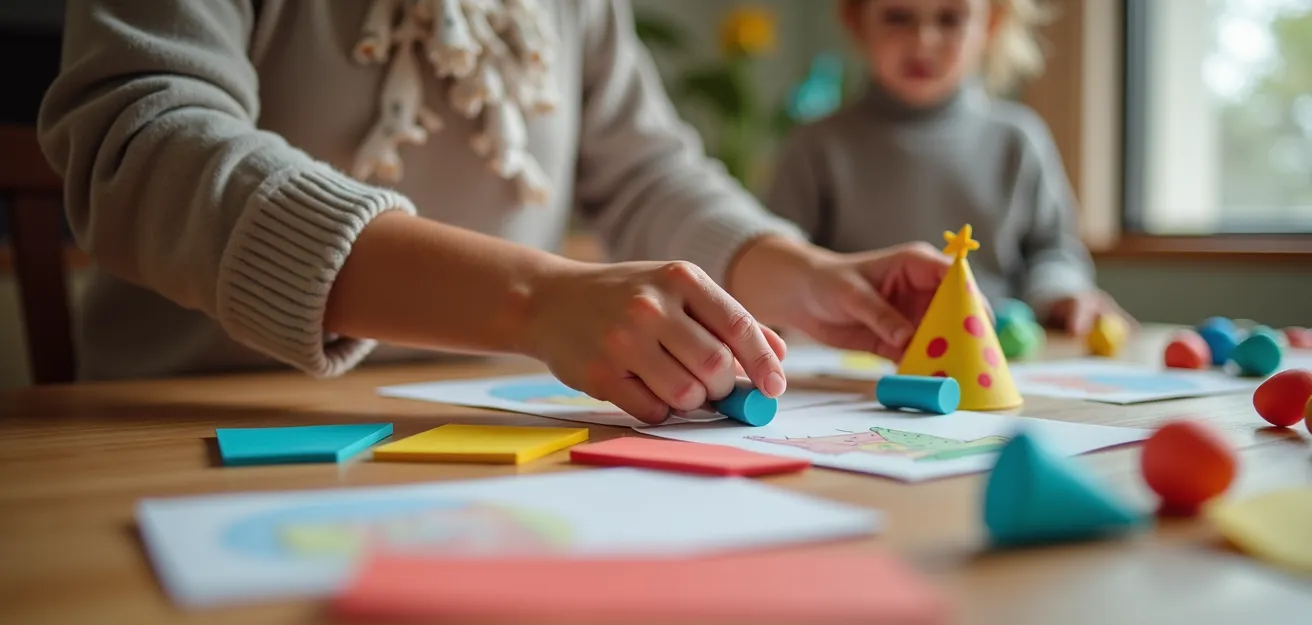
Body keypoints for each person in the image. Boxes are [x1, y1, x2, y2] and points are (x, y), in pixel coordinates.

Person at [38, 0, 949, 425]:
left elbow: (647, 172)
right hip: (183, 419)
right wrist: (533, 299)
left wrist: (800, 271)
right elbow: (141, 140)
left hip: (477, 424)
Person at [766, 0, 1132, 336]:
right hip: (864, 349)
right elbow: (781, 256)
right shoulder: (817, 145)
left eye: (950, 18)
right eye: (898, 17)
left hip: (998, 355)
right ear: (856, 20)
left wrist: (1061, 293)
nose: (923, 41)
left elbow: (1052, 250)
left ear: (991, 23)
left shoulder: (1017, 140)